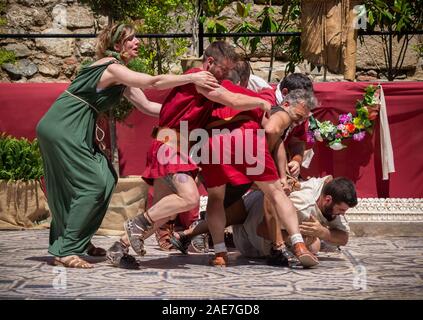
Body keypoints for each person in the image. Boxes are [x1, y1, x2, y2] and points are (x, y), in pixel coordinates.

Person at [36, 23, 219, 269]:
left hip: (77, 125)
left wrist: (190, 115)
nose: (137, 42)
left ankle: (79, 240)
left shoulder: (119, 75)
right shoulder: (111, 67)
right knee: (93, 184)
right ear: (117, 44)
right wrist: (191, 77)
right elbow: (153, 82)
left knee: (107, 178)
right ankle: (67, 248)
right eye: (132, 38)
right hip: (65, 125)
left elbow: (149, 107)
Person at [109, 41, 273, 268]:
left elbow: (164, 109)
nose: (226, 74)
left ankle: (119, 248)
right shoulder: (200, 77)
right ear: (210, 62)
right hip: (172, 146)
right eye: (223, 69)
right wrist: (262, 101)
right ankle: (138, 222)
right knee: (189, 198)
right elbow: (233, 100)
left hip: (169, 145)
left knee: (163, 214)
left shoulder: (201, 85)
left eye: (229, 70)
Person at [172, 176, 357, 265]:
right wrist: (294, 239)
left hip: (251, 236)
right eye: (341, 210)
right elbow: (264, 230)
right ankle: (190, 234)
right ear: (328, 200)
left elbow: (344, 237)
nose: (342, 214)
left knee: (316, 242)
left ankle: (188, 234)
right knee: (267, 197)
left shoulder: (325, 191)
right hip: (254, 232)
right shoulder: (302, 204)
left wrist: (323, 232)